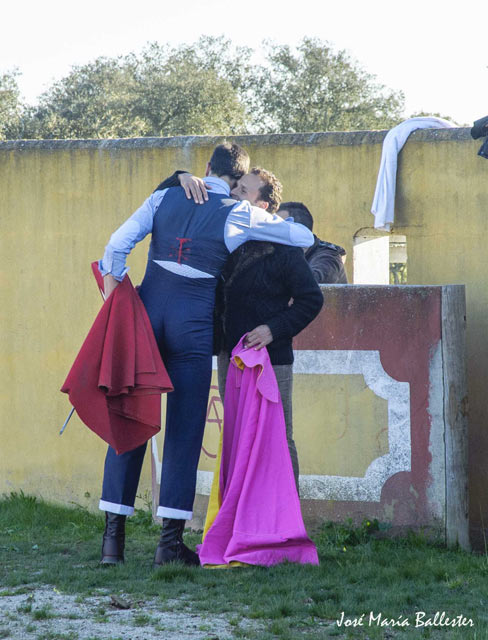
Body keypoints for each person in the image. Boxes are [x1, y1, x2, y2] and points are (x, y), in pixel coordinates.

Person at [97, 143, 314, 567]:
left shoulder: (165, 195)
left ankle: (112, 544)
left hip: (148, 314)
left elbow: (115, 246)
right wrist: (262, 219)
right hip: (191, 325)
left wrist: (117, 299)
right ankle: (169, 545)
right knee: (185, 427)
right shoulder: (238, 212)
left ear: (206, 168)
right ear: (235, 181)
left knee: (128, 417)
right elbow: (302, 236)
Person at [277, 202, 348, 284]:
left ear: (298, 231)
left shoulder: (328, 257)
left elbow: (310, 283)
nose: (272, 232)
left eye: (279, 227)